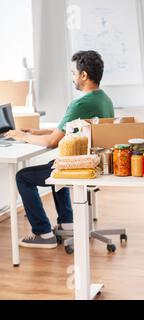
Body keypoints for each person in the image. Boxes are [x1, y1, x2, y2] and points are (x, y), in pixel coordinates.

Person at [6, 50, 114, 249]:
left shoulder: (80, 103)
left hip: (80, 167)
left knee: (23, 176)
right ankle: (67, 222)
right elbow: (70, 129)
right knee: (54, 165)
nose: (72, 77)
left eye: (73, 73)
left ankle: (43, 233)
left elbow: (52, 142)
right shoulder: (103, 99)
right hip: (95, 163)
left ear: (83, 75)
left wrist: (23, 136)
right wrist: (38, 131)